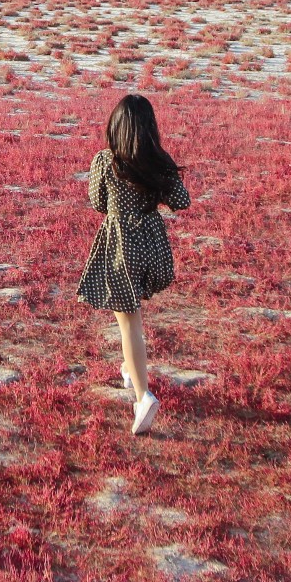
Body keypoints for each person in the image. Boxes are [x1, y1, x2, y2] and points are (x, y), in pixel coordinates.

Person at [75, 94, 190, 435]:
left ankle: (143, 397)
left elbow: (97, 203)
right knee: (131, 315)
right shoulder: (158, 162)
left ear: (115, 127)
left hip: (120, 245)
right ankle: (129, 369)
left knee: (129, 323)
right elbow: (181, 202)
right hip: (151, 243)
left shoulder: (105, 162)